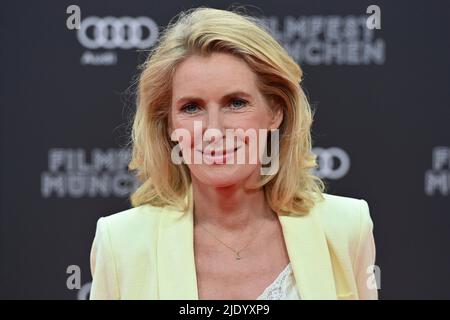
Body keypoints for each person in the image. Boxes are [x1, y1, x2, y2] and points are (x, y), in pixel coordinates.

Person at [89, 7, 378, 300]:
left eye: (236, 103)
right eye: (192, 107)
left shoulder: (345, 228)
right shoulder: (121, 244)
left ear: (276, 112)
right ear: (169, 126)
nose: (213, 130)